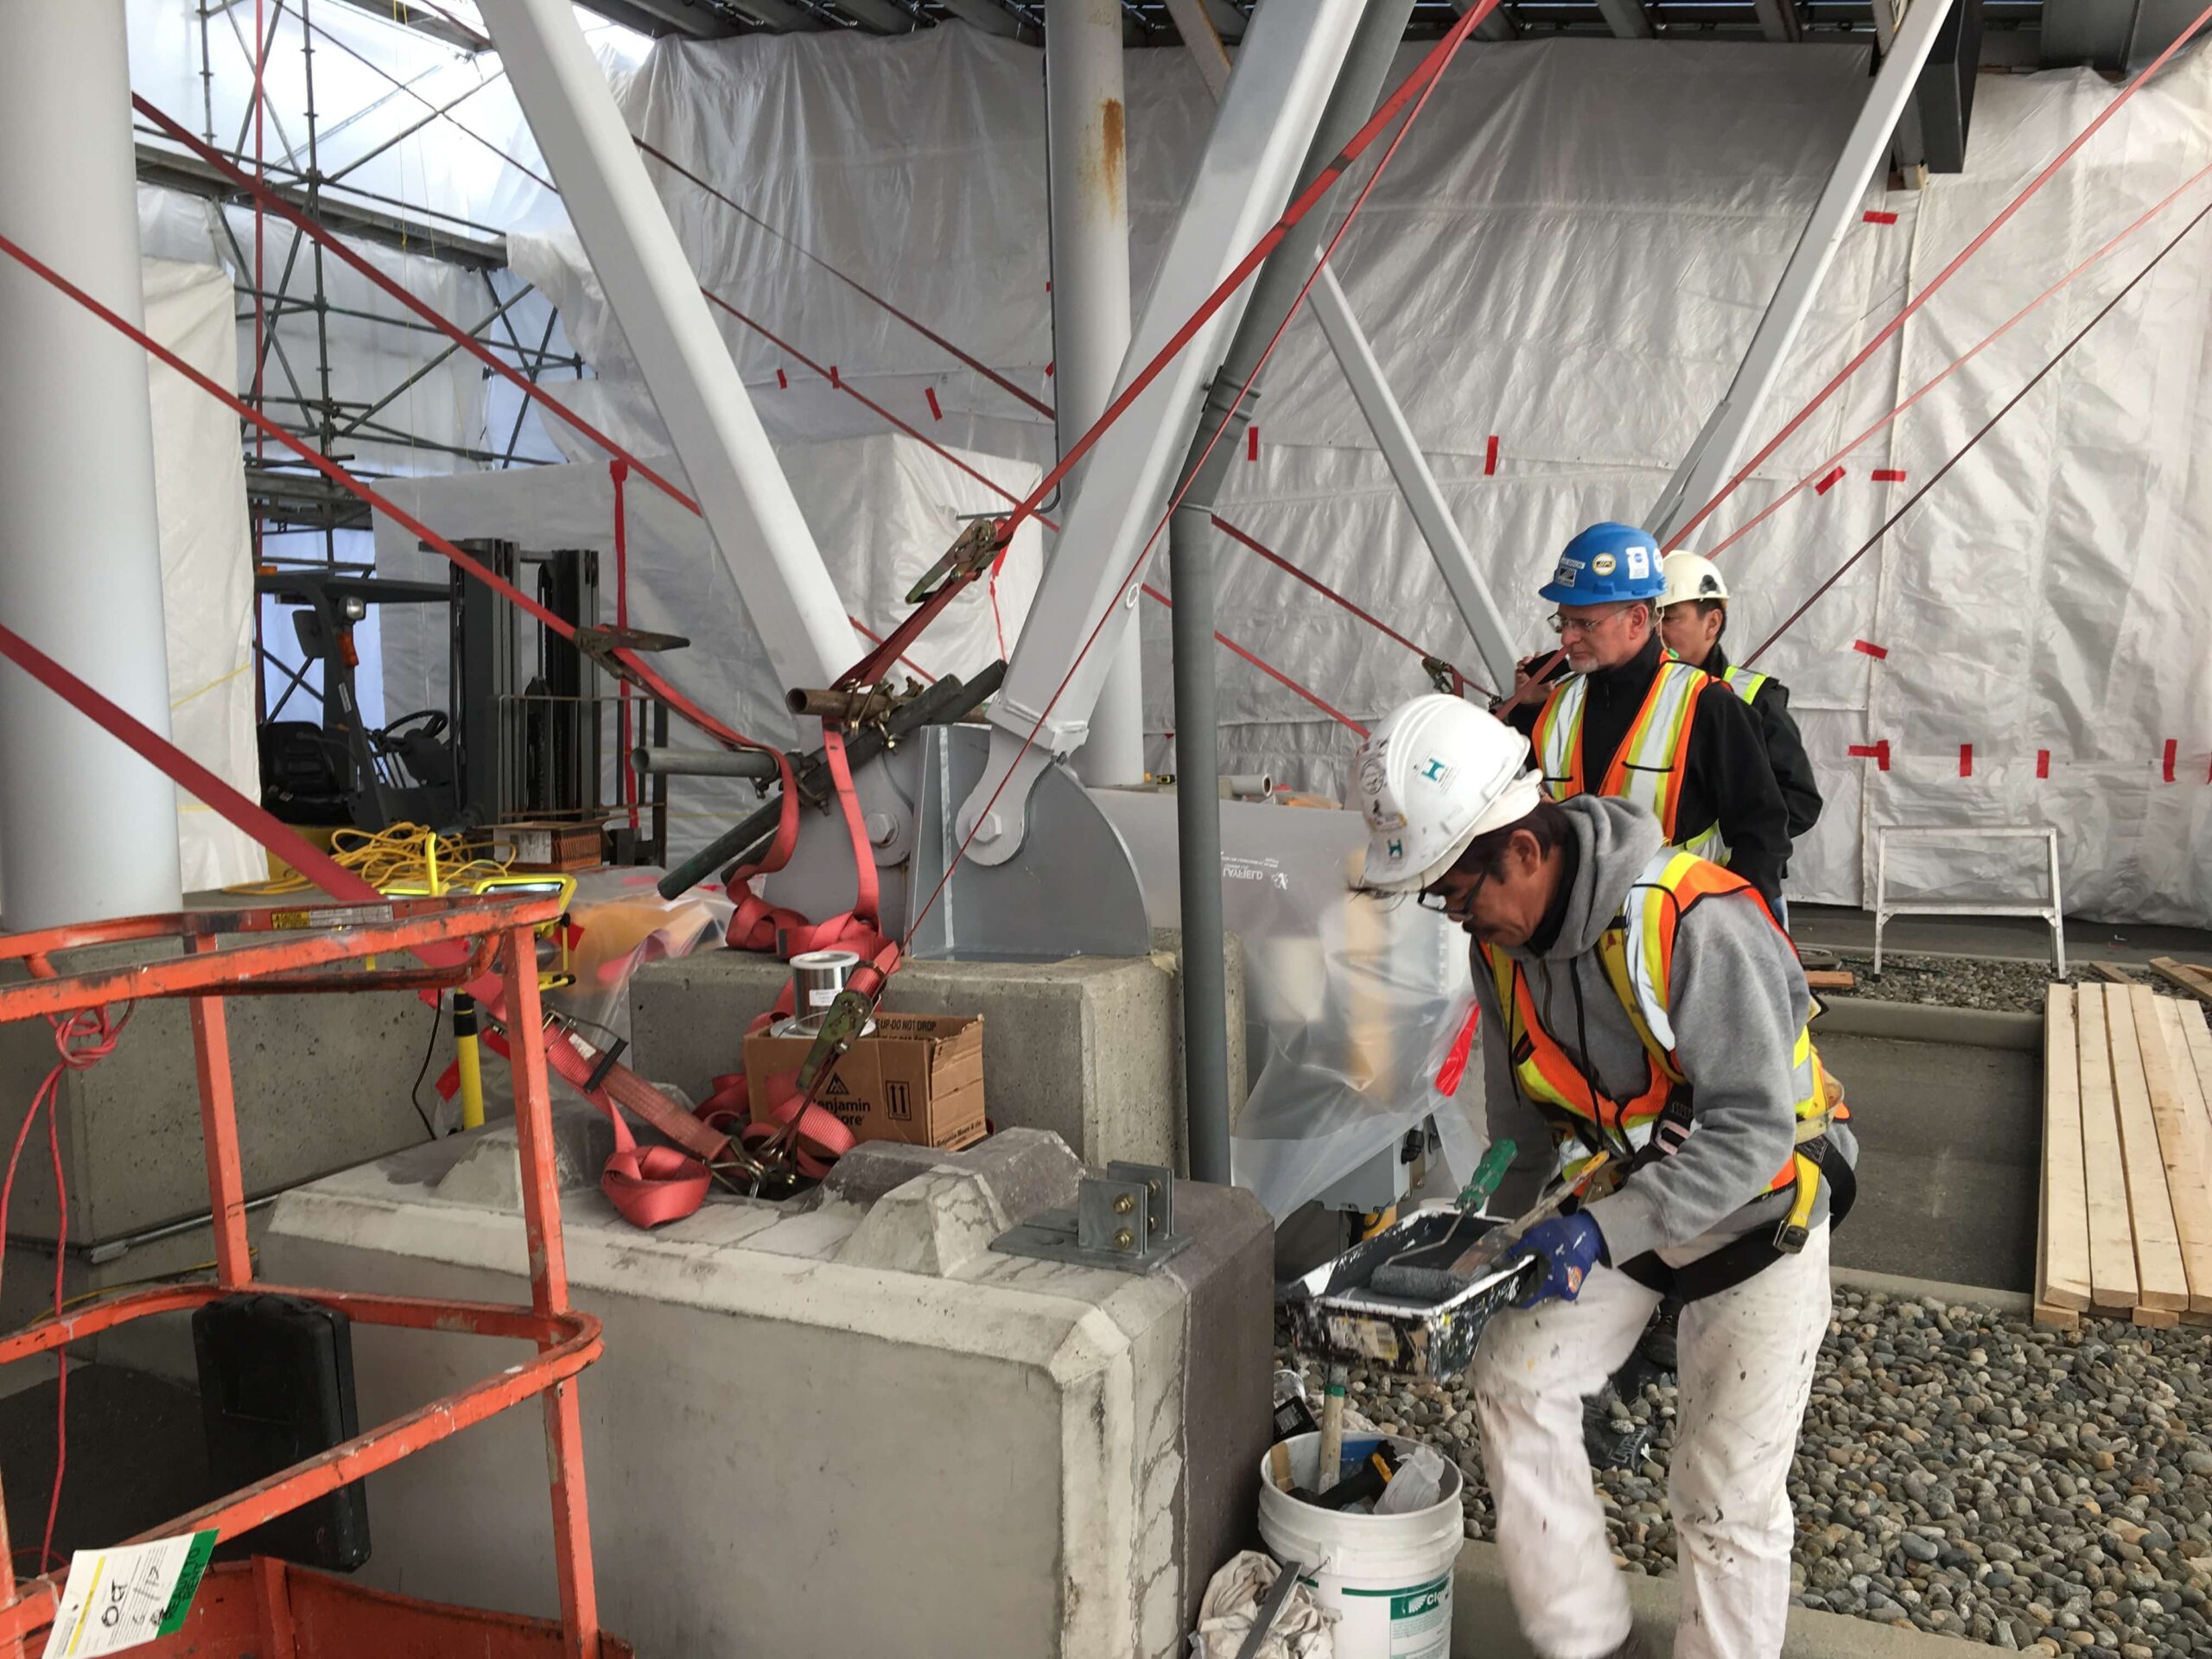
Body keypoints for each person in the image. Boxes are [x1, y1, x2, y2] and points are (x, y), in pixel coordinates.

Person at [1354, 693, 1854, 1659]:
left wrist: (1599, 1231)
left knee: (1723, 1496)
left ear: (1524, 850)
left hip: (1761, 1215)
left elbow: (1753, 1131)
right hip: (1631, 1204)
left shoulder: (1691, 919)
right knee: (1516, 1376)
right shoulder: (1501, 953)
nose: (1456, 917)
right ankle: (1588, 1644)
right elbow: (1519, 1133)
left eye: (1456, 892)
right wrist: (1474, 1251)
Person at [1499, 523, 1791, 911]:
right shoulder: (1555, 706)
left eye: (1584, 623)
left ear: (1638, 619)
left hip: (1674, 930)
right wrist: (1525, 712)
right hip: (1575, 929)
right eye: (1563, 621)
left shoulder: (1707, 705)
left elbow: (1763, 836)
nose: (1567, 638)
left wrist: (1732, 919)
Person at [1657, 551, 1822, 885]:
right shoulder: (1641, 696)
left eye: (1670, 618)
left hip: (1730, 884)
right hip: (1651, 885)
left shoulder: (1753, 697)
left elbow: (1799, 801)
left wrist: (1734, 845)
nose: (1657, 632)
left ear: (1712, 623)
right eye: (1651, 619)